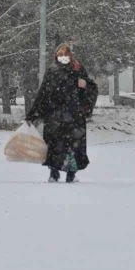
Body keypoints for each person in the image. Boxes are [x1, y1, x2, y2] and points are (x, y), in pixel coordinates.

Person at [26, 43, 97, 183]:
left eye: (65, 55)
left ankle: (71, 173)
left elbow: (90, 88)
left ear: (70, 56)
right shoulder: (52, 71)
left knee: (73, 145)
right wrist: (32, 114)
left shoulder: (78, 69)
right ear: (56, 56)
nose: (63, 57)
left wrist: (85, 86)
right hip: (55, 116)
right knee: (54, 144)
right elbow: (43, 93)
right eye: (60, 55)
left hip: (74, 115)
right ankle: (54, 173)